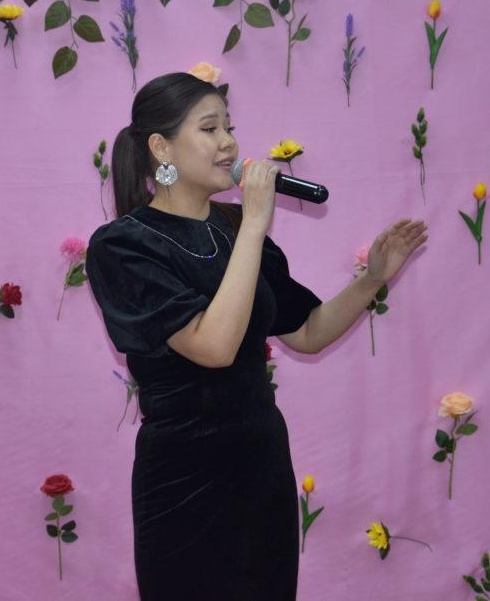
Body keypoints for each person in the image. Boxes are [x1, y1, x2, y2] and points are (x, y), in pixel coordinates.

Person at [84, 72, 428, 600]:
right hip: (185, 473)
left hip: (261, 462)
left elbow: (307, 331)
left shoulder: (238, 229)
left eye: (230, 127)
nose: (228, 143)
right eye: (209, 129)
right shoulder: (123, 246)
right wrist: (252, 227)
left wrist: (372, 278)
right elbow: (213, 347)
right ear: (161, 147)